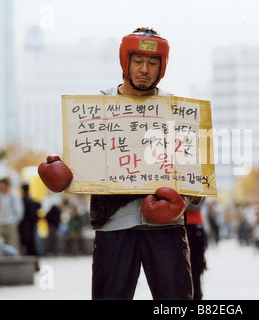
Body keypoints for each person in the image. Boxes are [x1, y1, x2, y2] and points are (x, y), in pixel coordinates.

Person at [39, 27, 200, 299]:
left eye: (152, 63)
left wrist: (183, 200)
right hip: (113, 225)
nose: (144, 69)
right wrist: (65, 174)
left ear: (162, 67)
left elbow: (196, 176)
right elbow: (82, 161)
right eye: (138, 61)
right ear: (126, 61)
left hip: (167, 229)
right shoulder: (95, 107)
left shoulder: (177, 109)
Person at [185, 202, 207, 300]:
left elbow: (197, 202)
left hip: (193, 224)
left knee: (195, 267)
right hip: (178, 224)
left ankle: (196, 295)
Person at [0, 178, 24, 252]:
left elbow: (19, 210)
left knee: (13, 246)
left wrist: (14, 222)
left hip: (10, 223)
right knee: (1, 247)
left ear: (5, 184)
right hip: (1, 223)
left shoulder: (13, 195)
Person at [19, 183, 41, 256]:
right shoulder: (30, 199)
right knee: (32, 241)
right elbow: (38, 206)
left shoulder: (23, 199)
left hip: (25, 224)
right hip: (31, 223)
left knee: (27, 241)